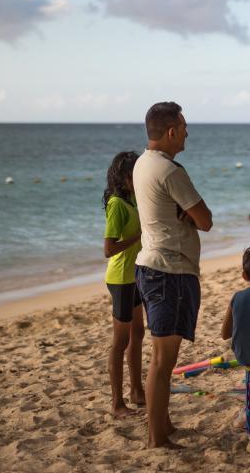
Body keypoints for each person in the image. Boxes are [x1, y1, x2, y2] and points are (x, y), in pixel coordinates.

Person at [132, 102, 213, 449]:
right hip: (169, 270)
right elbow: (206, 220)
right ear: (170, 132)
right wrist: (189, 213)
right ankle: (156, 438)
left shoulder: (141, 164)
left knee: (160, 359)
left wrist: (183, 212)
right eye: (184, 127)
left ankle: (162, 425)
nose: (187, 133)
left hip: (151, 266)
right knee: (164, 362)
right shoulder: (170, 171)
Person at [101, 150, 144, 418]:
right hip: (120, 279)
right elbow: (108, 249)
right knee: (120, 341)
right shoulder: (117, 204)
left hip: (136, 275)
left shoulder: (133, 199)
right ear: (123, 177)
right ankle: (117, 403)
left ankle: (137, 391)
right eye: (134, 175)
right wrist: (139, 236)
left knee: (138, 334)